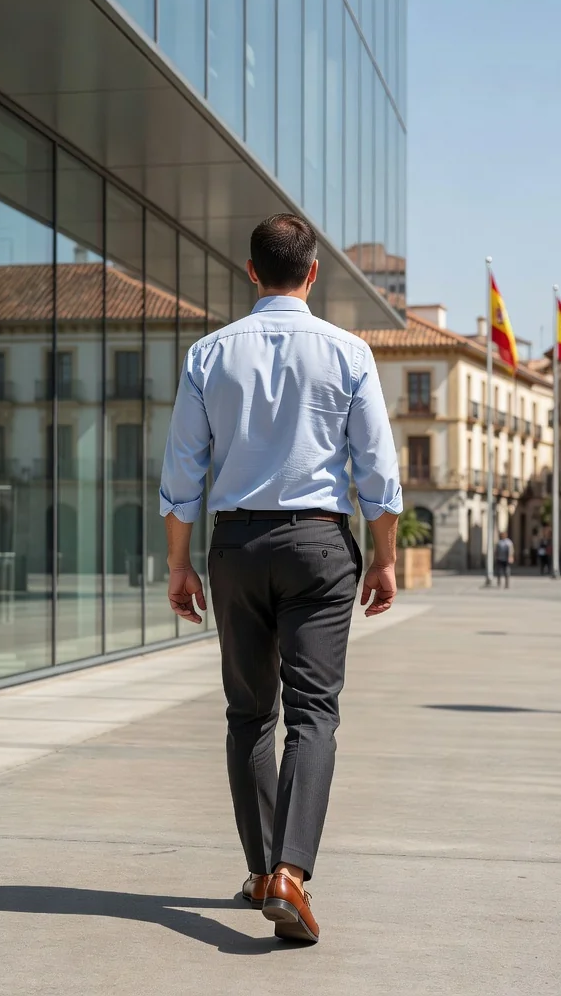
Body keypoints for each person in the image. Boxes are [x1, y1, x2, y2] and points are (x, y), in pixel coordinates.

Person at [159, 213, 402, 944]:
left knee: (247, 717)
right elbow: (379, 475)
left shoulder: (208, 354)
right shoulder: (350, 352)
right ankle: (289, 873)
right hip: (320, 549)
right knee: (313, 713)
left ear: (251, 270)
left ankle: (267, 871)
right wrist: (385, 557)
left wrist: (178, 562)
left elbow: (182, 472)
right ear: (314, 273)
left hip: (235, 545)